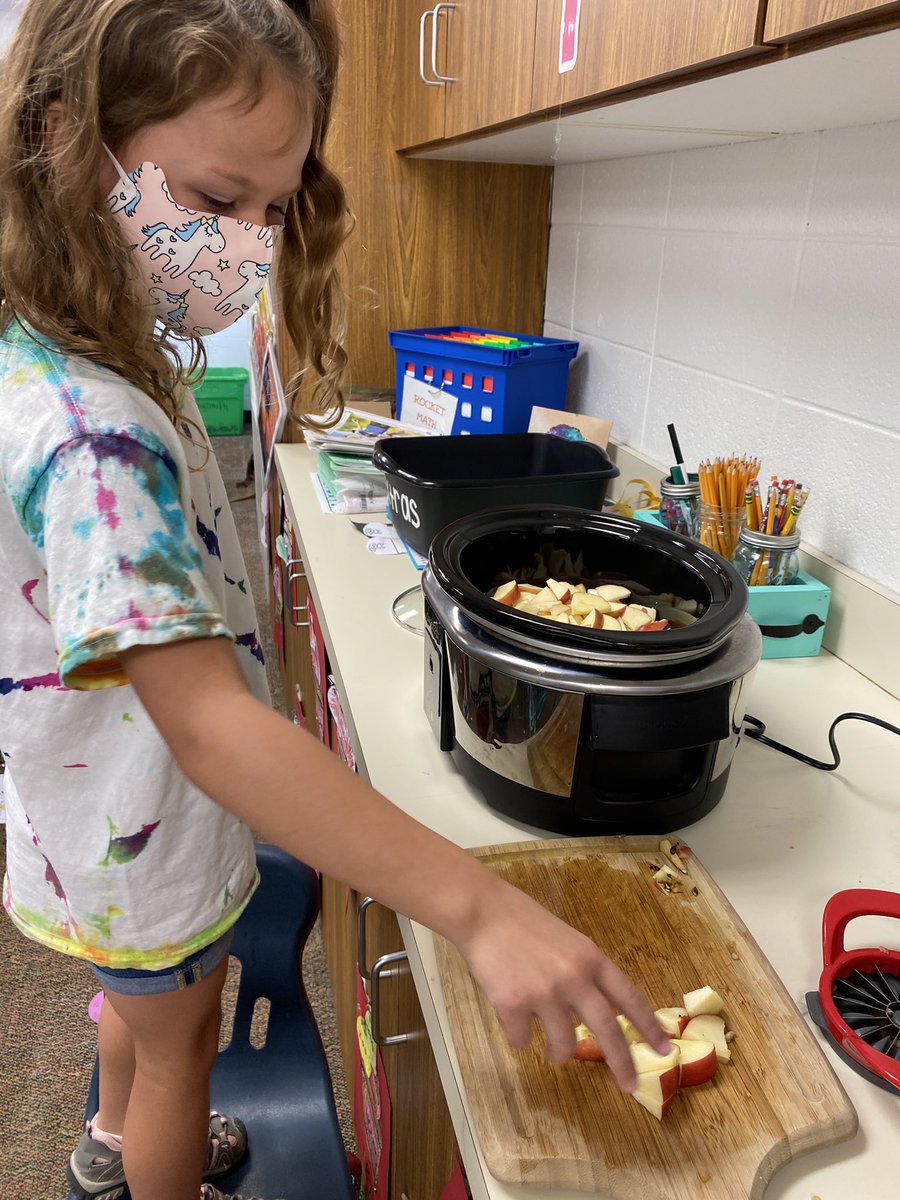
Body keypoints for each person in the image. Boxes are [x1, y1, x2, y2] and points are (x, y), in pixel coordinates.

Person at [0, 3, 669, 1199]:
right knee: (182, 1048)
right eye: (214, 203)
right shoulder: (93, 432)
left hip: (90, 810)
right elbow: (204, 721)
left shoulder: (67, 347)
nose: (251, 249)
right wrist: (479, 908)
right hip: (142, 816)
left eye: (272, 210)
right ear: (62, 137)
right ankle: (151, 1158)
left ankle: (108, 1141)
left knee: (146, 1007)